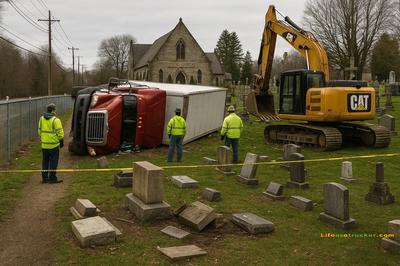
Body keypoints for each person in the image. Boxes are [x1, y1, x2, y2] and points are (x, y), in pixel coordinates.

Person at [38, 103, 64, 184]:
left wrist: (44, 138)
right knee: (53, 161)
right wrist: (61, 141)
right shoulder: (56, 120)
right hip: (54, 145)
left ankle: (45, 178)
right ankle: (52, 178)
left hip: (44, 145)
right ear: (53, 110)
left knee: (45, 162)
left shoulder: (41, 118)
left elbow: (39, 131)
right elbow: (60, 133)